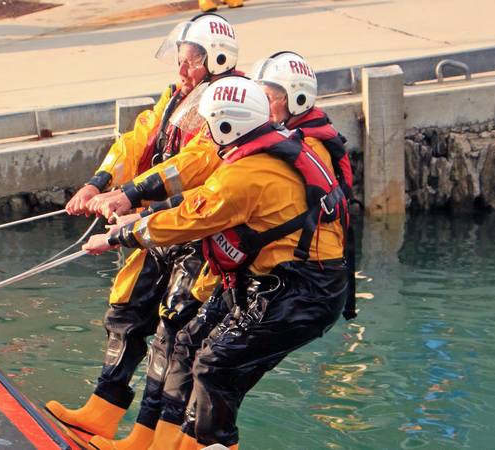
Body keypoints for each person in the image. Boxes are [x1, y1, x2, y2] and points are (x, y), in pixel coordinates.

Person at [83, 76, 349, 449]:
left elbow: (191, 217)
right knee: (200, 348)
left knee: (216, 366)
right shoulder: (262, 153)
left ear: (227, 125)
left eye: (210, 124)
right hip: (286, 285)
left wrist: (118, 236)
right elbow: (203, 200)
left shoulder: (247, 173)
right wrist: (137, 214)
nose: (206, 132)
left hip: (300, 291)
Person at [44, 13, 239, 450]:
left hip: (190, 232)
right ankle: (103, 411)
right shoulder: (175, 97)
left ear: (216, 61)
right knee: (126, 312)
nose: (181, 70)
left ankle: (150, 436)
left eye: (190, 61)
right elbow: (135, 142)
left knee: (173, 335)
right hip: (151, 227)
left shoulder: (226, 109)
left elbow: (191, 166)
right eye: (181, 59)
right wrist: (99, 182)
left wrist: (130, 196)